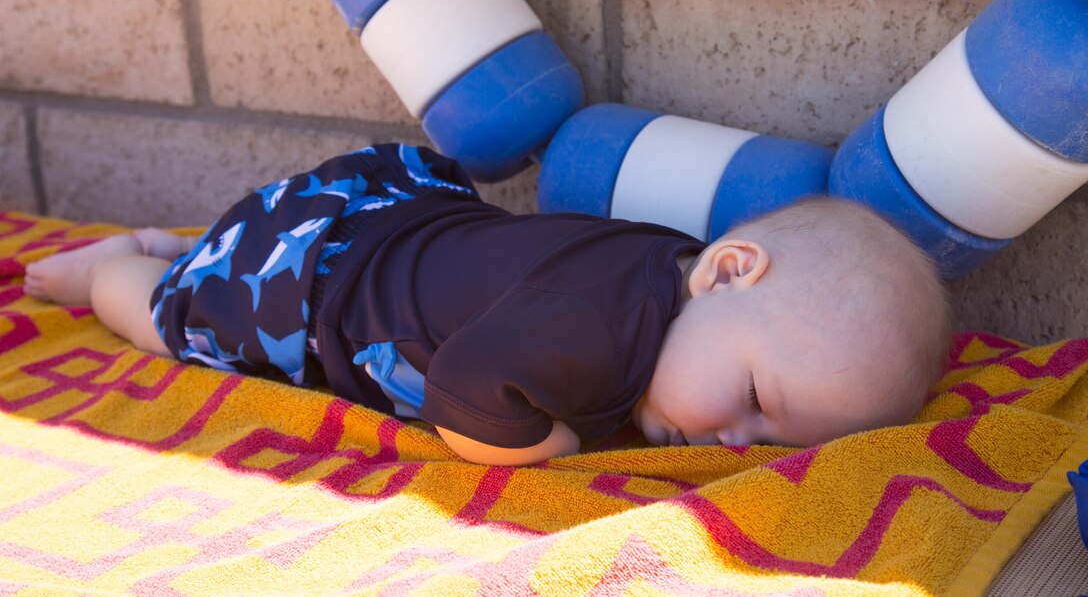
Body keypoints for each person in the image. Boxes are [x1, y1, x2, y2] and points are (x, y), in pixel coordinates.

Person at [24, 144, 952, 466]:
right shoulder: (600, 333)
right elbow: (465, 388)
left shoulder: (669, 273)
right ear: (729, 270)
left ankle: (174, 247)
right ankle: (112, 270)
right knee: (176, 323)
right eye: (754, 398)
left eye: (774, 443)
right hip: (311, 288)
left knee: (211, 256)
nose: (737, 443)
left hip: (389, 217)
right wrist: (550, 448)